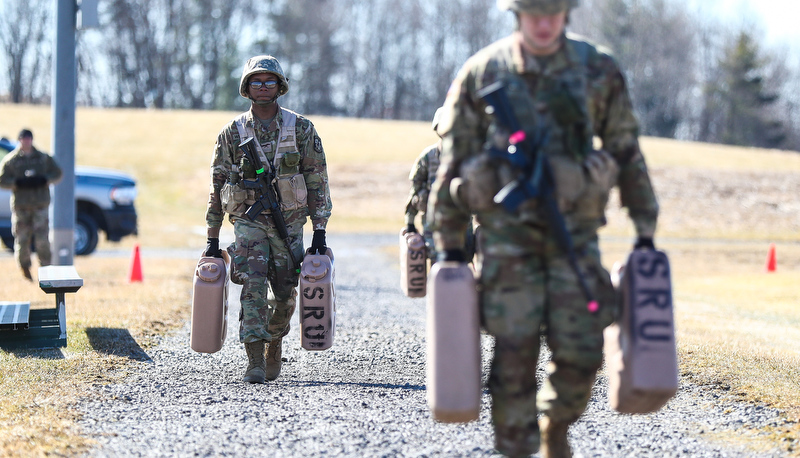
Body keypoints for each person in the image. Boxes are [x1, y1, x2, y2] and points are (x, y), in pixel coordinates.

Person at [429, 0, 659, 456]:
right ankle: (518, 448)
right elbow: (453, 166)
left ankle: (556, 422)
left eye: (553, 12)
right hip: (506, 240)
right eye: (534, 12)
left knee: (583, 349)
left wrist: (645, 228)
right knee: (513, 358)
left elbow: (625, 150)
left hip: (573, 234)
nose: (544, 22)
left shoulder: (598, 69)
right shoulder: (483, 71)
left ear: (567, 13)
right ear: (516, 14)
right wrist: (450, 247)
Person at [204, 55, 332, 384]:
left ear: (280, 86)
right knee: (253, 285)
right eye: (256, 81)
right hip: (248, 221)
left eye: (269, 81)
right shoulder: (232, 133)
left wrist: (320, 232)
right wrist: (212, 239)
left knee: (288, 292)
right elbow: (217, 186)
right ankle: (255, 359)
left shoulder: (300, 128)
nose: (263, 87)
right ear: (247, 88)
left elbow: (317, 179)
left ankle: (274, 339)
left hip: (289, 222)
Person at [404, 108, 476, 263]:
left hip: (463, 220)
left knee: (463, 259)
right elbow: (415, 190)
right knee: (439, 261)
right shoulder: (428, 157)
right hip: (434, 222)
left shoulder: (469, 156)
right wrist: (410, 222)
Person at [0, 129, 63, 281]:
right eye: (23, 138)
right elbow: (2, 180)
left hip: (39, 206)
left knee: (42, 241)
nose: (26, 141)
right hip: (21, 207)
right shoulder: (11, 161)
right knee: (22, 241)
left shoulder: (43, 158)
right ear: (20, 140)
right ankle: (25, 269)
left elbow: (57, 173)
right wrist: (17, 183)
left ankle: (46, 271)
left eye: (28, 138)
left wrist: (44, 180)